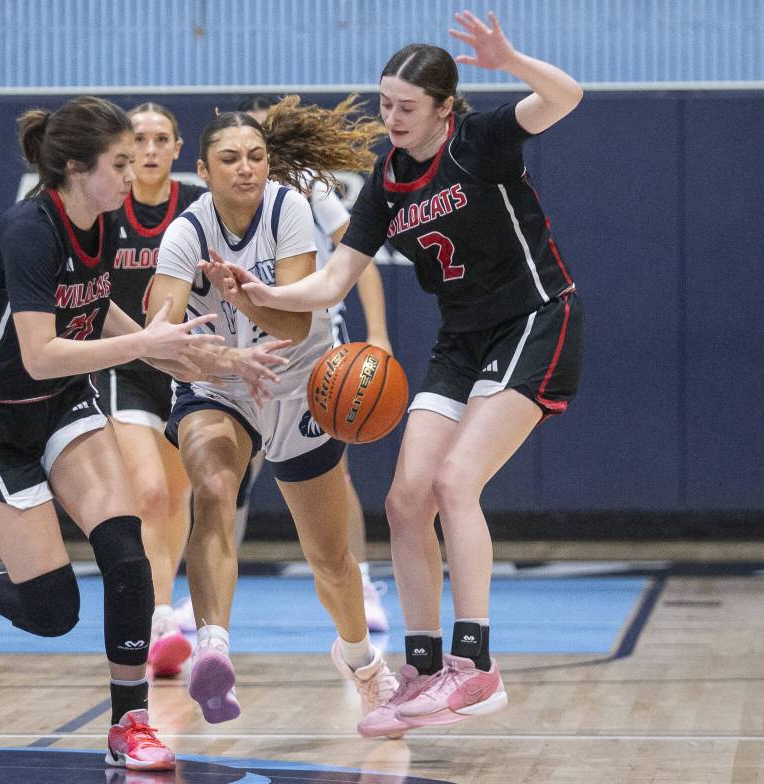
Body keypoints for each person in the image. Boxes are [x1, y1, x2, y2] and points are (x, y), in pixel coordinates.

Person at [218, 11, 584, 738]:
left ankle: (474, 665)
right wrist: (258, 294)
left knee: (455, 486)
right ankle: (420, 668)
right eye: (385, 104)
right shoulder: (385, 183)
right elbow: (330, 284)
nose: (391, 118)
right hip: (462, 340)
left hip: (535, 320)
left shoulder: (481, 143)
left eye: (406, 107)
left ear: (445, 109)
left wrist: (509, 59)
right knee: (405, 499)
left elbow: (567, 96)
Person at [0, 96, 285, 770]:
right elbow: (40, 352)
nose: (132, 175)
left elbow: (100, 315)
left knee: (126, 554)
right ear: (72, 167)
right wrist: (143, 348)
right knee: (52, 609)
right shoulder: (28, 233)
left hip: (61, 402)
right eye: (118, 163)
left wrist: (206, 356)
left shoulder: (105, 224)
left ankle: (130, 725)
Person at [147, 95, 399, 726]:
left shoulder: (290, 207)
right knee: (213, 489)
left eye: (256, 156)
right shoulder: (186, 231)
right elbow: (161, 334)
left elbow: (292, 319)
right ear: (202, 171)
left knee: (329, 560)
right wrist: (204, 354)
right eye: (229, 158)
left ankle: (362, 661)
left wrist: (244, 296)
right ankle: (213, 650)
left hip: (302, 380)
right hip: (223, 385)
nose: (246, 168)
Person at [236, 94, 394, 634]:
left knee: (332, 469)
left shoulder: (308, 187)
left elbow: (359, 259)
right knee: (235, 468)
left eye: (258, 141)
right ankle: (214, 591)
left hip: (315, 341)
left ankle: (363, 578)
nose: (248, 158)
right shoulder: (216, 204)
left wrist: (377, 333)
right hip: (248, 343)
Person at [94, 102, 206, 678]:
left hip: (182, 361)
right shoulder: (108, 206)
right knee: (149, 493)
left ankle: (165, 597)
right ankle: (159, 615)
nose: (151, 149)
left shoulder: (195, 207)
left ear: (178, 147)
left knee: (179, 494)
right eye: (140, 138)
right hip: (126, 360)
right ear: (126, 146)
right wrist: (142, 341)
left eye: (162, 138)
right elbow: (90, 290)